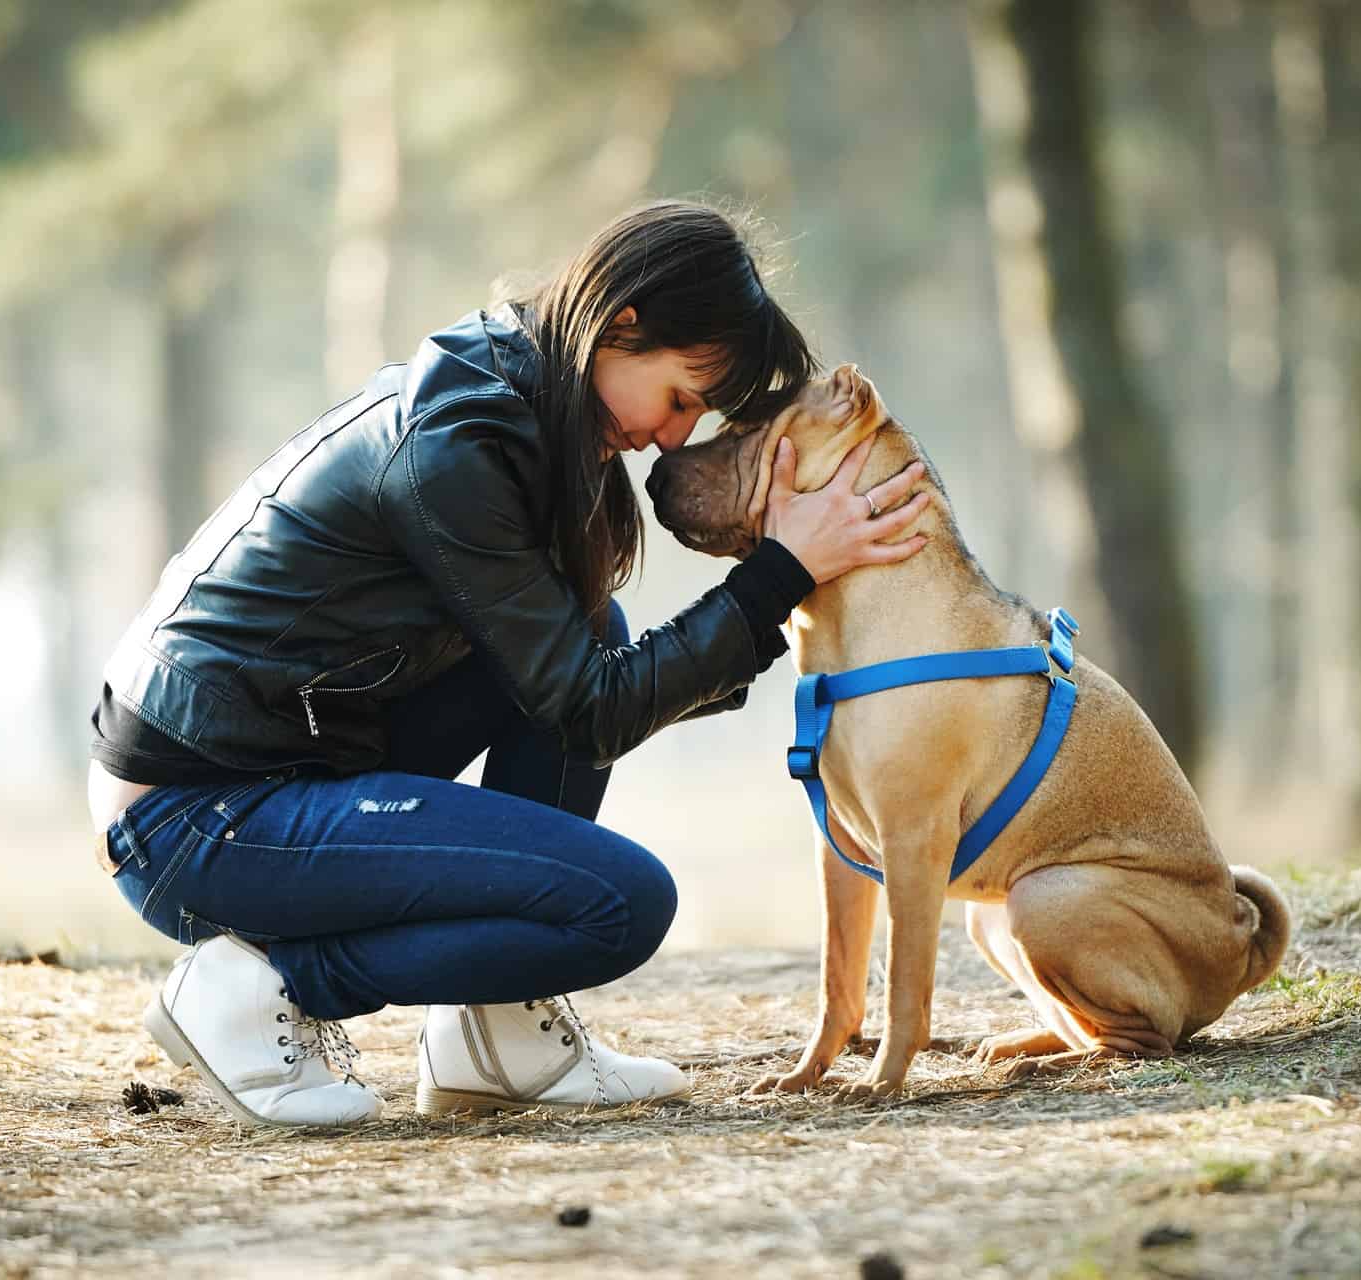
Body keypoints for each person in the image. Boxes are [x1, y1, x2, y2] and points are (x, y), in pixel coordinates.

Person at [85, 199, 932, 1129]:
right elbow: (592, 712)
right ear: (624, 323)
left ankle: (495, 1038)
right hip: (196, 818)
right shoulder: (462, 443)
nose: (672, 437)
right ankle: (263, 984)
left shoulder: (524, 408)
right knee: (621, 904)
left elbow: (584, 678)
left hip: (288, 766)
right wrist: (779, 576)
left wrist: (771, 581)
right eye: (682, 397)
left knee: (595, 624)